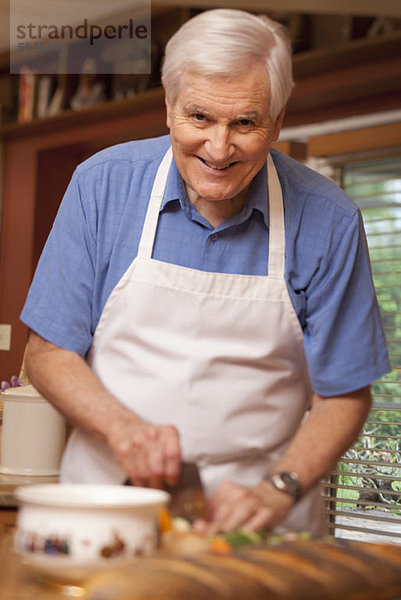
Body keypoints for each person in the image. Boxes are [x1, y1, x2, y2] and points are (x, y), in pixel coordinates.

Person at [21, 9, 390, 536]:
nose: (219, 150)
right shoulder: (102, 186)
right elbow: (48, 351)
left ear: (279, 120)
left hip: (261, 523)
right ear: (169, 107)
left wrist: (279, 487)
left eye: (245, 123)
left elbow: (345, 394)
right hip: (109, 505)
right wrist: (123, 430)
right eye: (199, 118)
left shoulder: (329, 220)